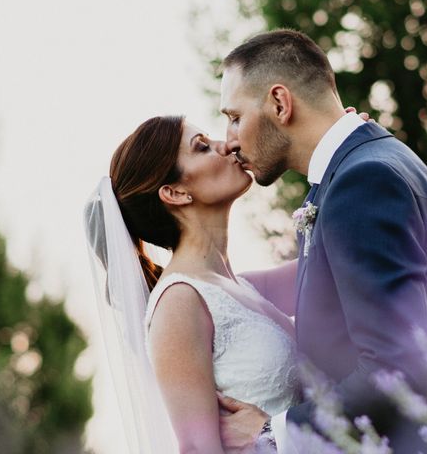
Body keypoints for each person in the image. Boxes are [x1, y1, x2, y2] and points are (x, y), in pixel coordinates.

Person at [215, 29, 427, 452]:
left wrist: (273, 434)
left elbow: (397, 368)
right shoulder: (375, 164)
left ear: (280, 103)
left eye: (235, 117)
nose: (228, 140)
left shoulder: (363, 182)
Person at [84, 116, 303, 453]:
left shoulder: (243, 288)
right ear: (175, 192)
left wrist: (341, 144)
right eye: (202, 146)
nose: (226, 145)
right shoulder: (179, 303)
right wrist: (272, 437)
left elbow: (340, 264)